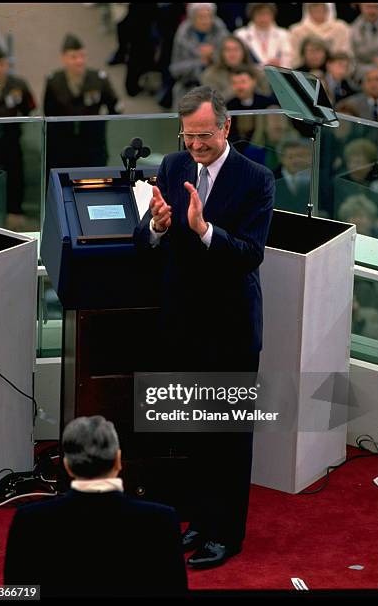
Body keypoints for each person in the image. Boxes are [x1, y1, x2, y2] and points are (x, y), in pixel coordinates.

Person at [133, 86, 275, 569]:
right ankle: (196, 521)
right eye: (188, 135)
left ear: (226, 127)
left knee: (228, 439)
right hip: (182, 324)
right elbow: (143, 240)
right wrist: (156, 225)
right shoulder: (172, 167)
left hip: (231, 329)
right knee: (191, 431)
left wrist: (202, 230)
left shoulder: (256, 178)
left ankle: (225, 534)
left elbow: (250, 255)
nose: (195, 144)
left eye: (204, 135)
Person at [4, 415, 187, 597]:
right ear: (118, 460)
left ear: (67, 466)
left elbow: (16, 593)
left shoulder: (29, 520)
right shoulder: (162, 520)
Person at [43, 34, 122, 172]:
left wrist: (99, 126)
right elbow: (48, 113)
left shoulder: (98, 79)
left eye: (82, 56)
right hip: (63, 149)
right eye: (74, 57)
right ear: (64, 58)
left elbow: (115, 107)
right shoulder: (54, 82)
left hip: (93, 147)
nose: (79, 61)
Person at [0, 46, 36, 231]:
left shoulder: (18, 85)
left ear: (7, 64)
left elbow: (30, 107)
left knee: (15, 178)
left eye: (1, 64)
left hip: (11, 144)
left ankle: (14, 215)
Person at [169, 3, 228, 108]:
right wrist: (201, 62)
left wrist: (213, 56)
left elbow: (230, 63)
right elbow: (175, 69)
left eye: (209, 17)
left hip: (218, 86)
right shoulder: (182, 36)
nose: (206, 21)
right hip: (188, 86)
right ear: (192, 18)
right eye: (201, 17)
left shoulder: (222, 34)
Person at [201, 35, 263, 103]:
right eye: (228, 50)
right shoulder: (210, 75)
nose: (232, 54)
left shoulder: (257, 72)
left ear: (244, 52)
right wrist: (233, 90)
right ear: (221, 53)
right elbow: (210, 102)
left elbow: (267, 96)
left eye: (236, 49)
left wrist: (250, 88)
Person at [289, 3, 351, 69]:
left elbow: (344, 53)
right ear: (308, 10)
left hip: (333, 71)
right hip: (305, 70)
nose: (318, 11)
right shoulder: (297, 31)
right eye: (314, 9)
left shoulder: (341, 28)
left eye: (321, 9)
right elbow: (295, 58)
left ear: (327, 9)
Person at [234, 3, 293, 71]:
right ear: (252, 15)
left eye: (267, 13)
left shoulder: (284, 34)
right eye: (259, 14)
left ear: (273, 15)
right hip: (251, 78)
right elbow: (240, 64)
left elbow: (288, 63)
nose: (263, 17)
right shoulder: (240, 35)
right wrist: (265, 66)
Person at [350, 3, 378, 85]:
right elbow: (352, 58)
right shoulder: (352, 29)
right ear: (361, 7)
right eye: (369, 7)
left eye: (376, 7)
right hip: (363, 72)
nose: (372, 11)